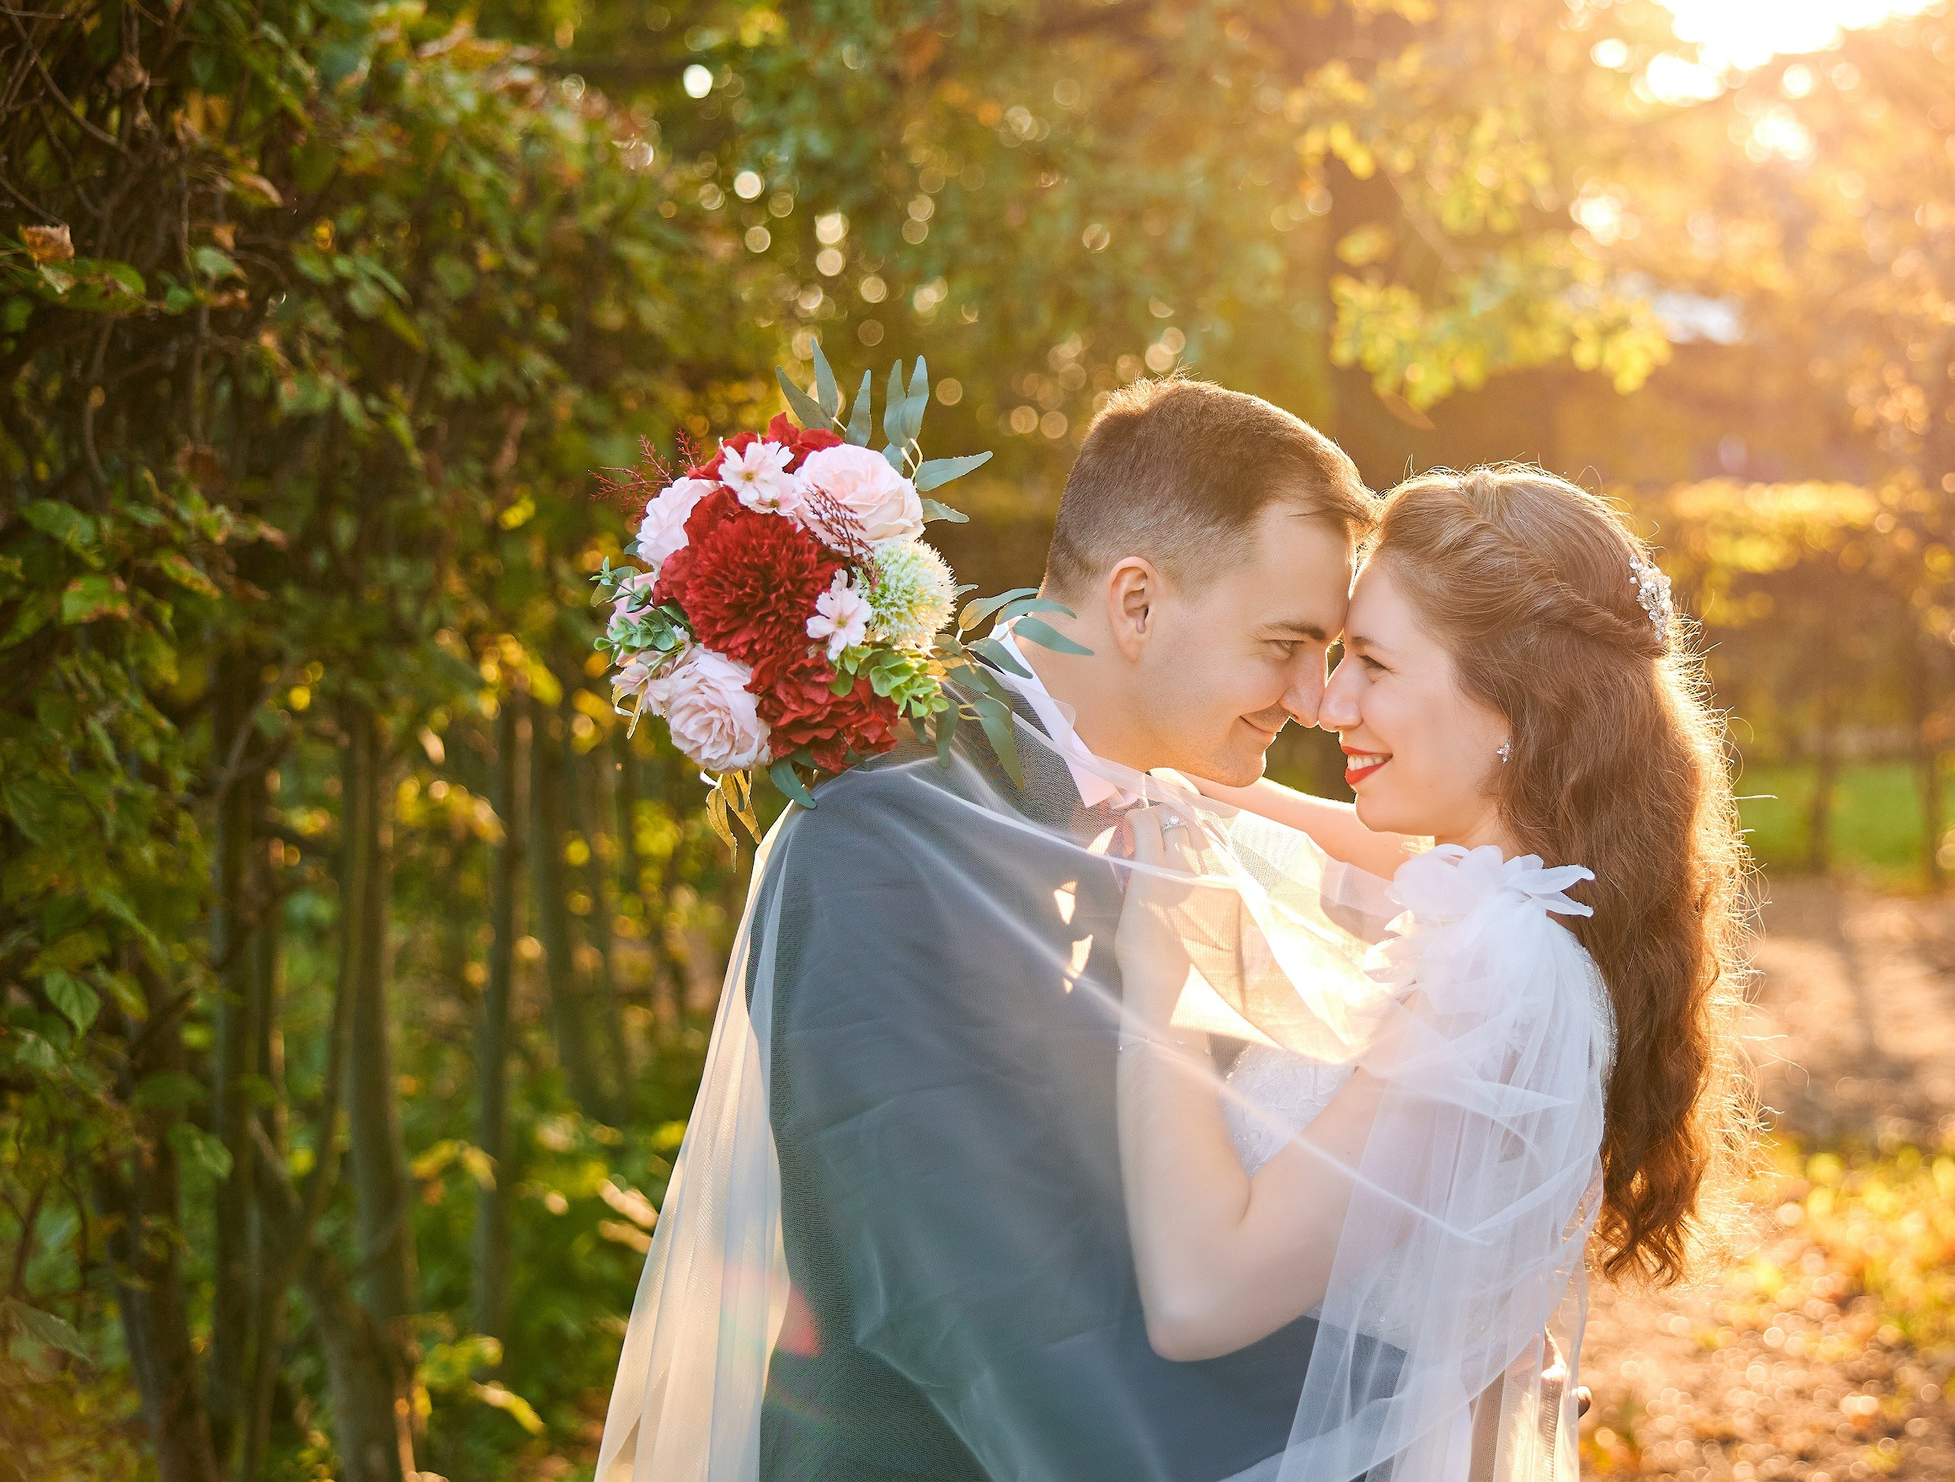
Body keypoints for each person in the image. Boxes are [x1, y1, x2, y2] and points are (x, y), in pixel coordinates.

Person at [595, 377, 1376, 1482]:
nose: (1312, 697)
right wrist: (1381, 1438)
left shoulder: (1183, 824)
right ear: (1137, 603)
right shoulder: (878, 843)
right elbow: (980, 1308)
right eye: (1287, 643)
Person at [1110, 465, 1750, 1481]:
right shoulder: (1519, 899)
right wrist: (1133, 768)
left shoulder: (1487, 974)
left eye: (1370, 662)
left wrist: (1156, 976)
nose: (1326, 701)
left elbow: (1204, 1299)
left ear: (1512, 708)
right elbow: (1323, 838)